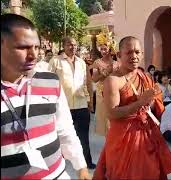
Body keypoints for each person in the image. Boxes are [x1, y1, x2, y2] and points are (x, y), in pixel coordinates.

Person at [1, 13, 90, 179]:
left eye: (36, 47)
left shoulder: (49, 81)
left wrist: (81, 167)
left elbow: (65, 130)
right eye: (22, 47)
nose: (33, 55)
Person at [93, 36, 171, 179]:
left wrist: (152, 99)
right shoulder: (113, 81)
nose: (134, 56)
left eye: (137, 52)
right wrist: (140, 102)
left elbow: (151, 105)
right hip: (124, 136)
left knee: (151, 171)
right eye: (129, 53)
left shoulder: (145, 76)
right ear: (119, 55)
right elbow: (112, 113)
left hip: (146, 133)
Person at [48, 37, 96, 169]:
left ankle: (87, 161)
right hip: (63, 106)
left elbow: (87, 83)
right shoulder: (55, 61)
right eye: (69, 44)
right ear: (63, 46)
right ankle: (58, 163)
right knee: (61, 136)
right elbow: (48, 82)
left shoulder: (81, 62)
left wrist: (90, 101)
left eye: (75, 45)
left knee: (83, 136)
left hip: (81, 104)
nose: (73, 47)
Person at [92, 31, 119, 136]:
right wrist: (104, 73)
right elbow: (94, 79)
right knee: (104, 120)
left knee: (113, 120)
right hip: (101, 94)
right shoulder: (97, 63)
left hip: (114, 93)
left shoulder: (116, 64)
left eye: (105, 49)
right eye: (101, 49)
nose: (103, 51)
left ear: (110, 49)